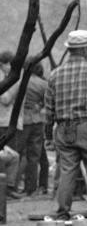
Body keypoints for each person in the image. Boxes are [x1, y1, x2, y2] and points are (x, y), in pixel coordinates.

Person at [44, 30, 87, 220]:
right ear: (85, 49)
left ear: (70, 50)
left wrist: (48, 136)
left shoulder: (55, 74)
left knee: (67, 172)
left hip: (63, 130)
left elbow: (49, 111)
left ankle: (62, 212)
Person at [17, 61, 48, 196]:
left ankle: (15, 184)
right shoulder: (43, 84)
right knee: (34, 156)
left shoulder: (20, 82)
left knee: (18, 153)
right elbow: (47, 102)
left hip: (22, 120)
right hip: (37, 120)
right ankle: (31, 187)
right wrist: (40, 106)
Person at [0, 51, 22, 198]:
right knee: (8, 155)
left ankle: (8, 186)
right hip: (4, 121)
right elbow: (5, 98)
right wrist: (16, 84)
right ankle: (6, 187)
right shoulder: (4, 77)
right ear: (4, 64)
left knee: (12, 155)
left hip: (9, 120)